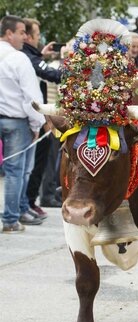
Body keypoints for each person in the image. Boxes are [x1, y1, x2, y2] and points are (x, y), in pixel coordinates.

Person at [0, 15, 46, 233]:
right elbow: (32, 97)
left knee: (14, 171)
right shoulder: (18, 59)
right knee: (16, 172)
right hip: (16, 122)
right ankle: (10, 218)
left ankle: (16, 211)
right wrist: (38, 124)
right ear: (9, 33)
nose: (25, 37)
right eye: (21, 32)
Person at [21, 18, 63, 221]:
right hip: (32, 119)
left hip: (35, 118)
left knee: (34, 164)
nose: (38, 38)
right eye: (37, 35)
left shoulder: (30, 55)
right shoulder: (26, 57)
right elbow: (53, 74)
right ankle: (25, 203)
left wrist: (41, 55)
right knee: (29, 166)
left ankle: (28, 203)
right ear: (28, 36)